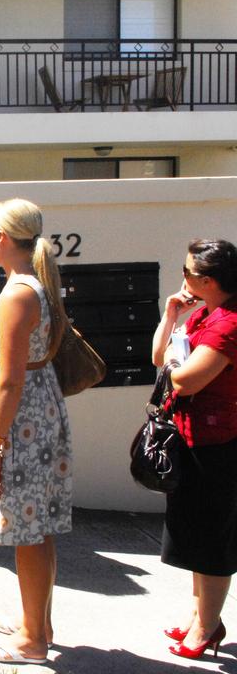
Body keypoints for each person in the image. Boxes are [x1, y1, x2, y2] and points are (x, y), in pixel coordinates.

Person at [0, 198, 71, 666]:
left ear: (3, 238)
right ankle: (39, 623)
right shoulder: (30, 283)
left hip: (22, 418)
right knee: (39, 526)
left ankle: (33, 639)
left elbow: (10, 378)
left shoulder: (19, 292)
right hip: (36, 410)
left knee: (28, 529)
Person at [151, 239, 237, 660]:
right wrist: (171, 317)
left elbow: (186, 381)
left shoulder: (229, 323)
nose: (182, 279)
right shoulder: (202, 313)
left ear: (206, 279)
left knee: (212, 538)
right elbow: (158, 358)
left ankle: (208, 624)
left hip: (218, 444)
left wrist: (172, 363)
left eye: (186, 273)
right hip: (190, 437)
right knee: (194, 534)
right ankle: (200, 614)